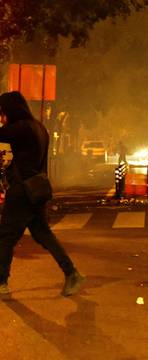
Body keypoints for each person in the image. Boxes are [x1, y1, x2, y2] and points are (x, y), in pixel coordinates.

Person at [0, 91, 85, 296]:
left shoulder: (19, 128)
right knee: (42, 233)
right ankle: (71, 272)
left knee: (5, 237)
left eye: (3, 112)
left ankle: (1, 282)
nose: (2, 117)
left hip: (22, 191)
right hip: (37, 189)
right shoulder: (39, 128)